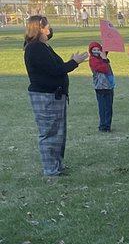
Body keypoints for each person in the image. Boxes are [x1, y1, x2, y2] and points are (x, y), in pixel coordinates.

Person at [23, 15, 89, 177]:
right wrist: (74, 62)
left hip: (54, 96)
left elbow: (56, 66)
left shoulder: (43, 46)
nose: (49, 29)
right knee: (49, 133)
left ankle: (57, 165)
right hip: (45, 97)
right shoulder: (35, 48)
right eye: (46, 27)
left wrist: (71, 62)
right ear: (38, 28)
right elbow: (55, 70)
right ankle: (51, 170)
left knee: (58, 133)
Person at [88, 41, 115, 131]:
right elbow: (103, 69)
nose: (96, 52)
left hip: (108, 85)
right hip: (101, 86)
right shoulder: (93, 59)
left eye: (98, 49)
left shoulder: (101, 56)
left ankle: (107, 125)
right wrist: (104, 59)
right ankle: (103, 126)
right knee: (104, 107)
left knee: (109, 107)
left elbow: (106, 48)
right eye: (94, 50)